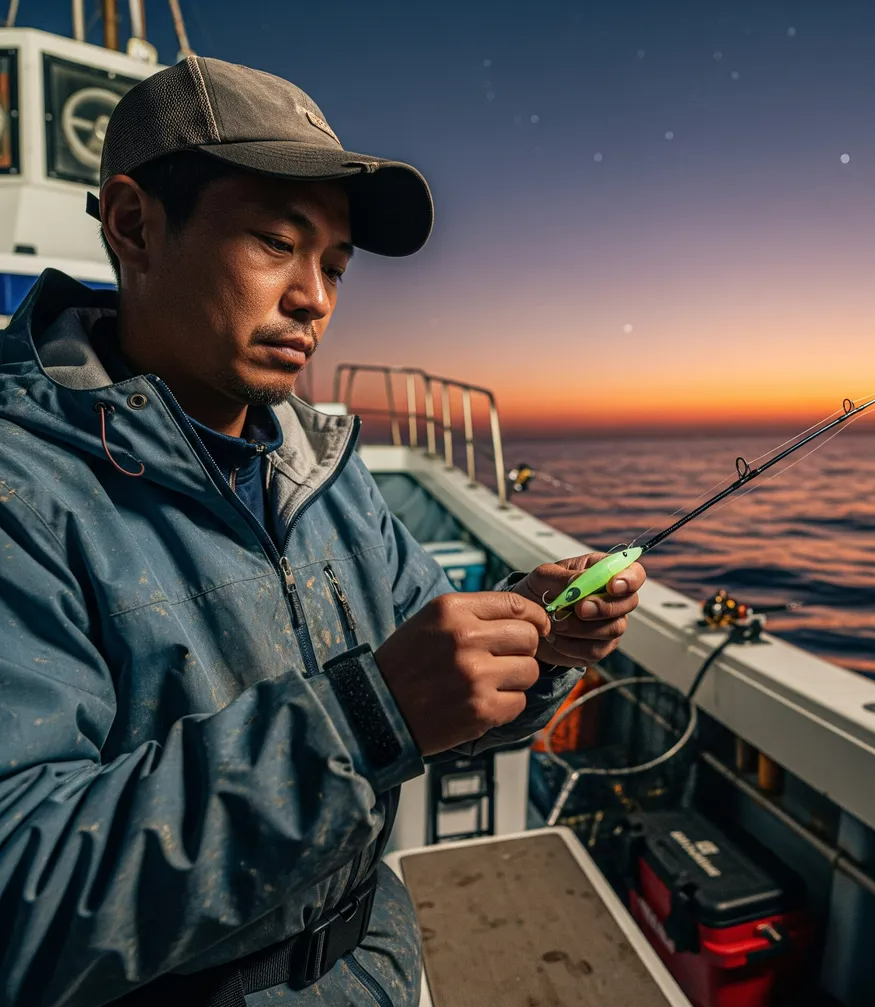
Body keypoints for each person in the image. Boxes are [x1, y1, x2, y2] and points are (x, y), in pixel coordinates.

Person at [0, 57, 645, 1007]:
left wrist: (538, 646)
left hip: (378, 965)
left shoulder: (324, 468)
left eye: (335, 265)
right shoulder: (22, 490)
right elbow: (23, 894)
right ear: (133, 225)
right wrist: (370, 716)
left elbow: (439, 700)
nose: (316, 298)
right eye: (276, 242)